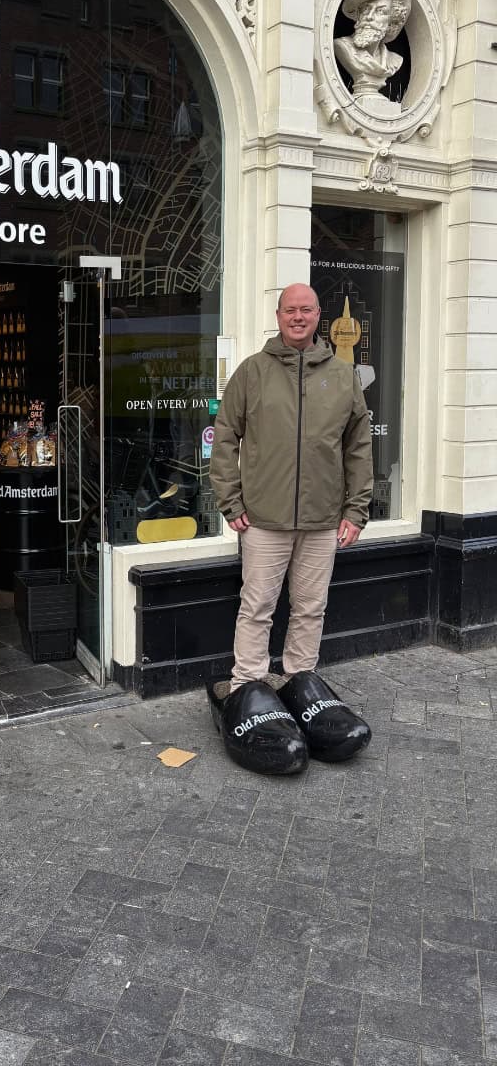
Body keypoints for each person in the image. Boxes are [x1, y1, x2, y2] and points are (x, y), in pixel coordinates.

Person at [208, 283, 374, 775]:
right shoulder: (253, 372)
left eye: (306, 310)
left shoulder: (343, 377)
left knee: (310, 606)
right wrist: (230, 501)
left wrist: (355, 510)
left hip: (324, 519)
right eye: (290, 310)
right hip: (264, 518)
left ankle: (301, 683)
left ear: (318, 315)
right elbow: (224, 438)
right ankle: (247, 689)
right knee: (257, 605)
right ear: (278, 315)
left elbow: (359, 449)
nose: (298, 317)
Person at [333, 0, 412, 100]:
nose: (369, 17)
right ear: (358, 16)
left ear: (392, 20)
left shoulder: (395, 60)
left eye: (380, 11)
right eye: (365, 10)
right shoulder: (342, 46)